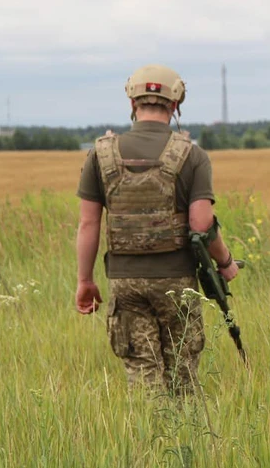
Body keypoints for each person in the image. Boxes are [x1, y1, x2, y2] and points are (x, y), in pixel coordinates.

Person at [74, 64, 238, 396]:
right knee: (182, 372)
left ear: (133, 102)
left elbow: (88, 223)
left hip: (125, 282)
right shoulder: (193, 155)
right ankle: (187, 442)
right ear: (176, 104)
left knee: (142, 372)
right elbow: (202, 223)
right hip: (177, 280)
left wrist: (85, 280)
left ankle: (148, 441)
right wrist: (225, 262)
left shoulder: (100, 155)